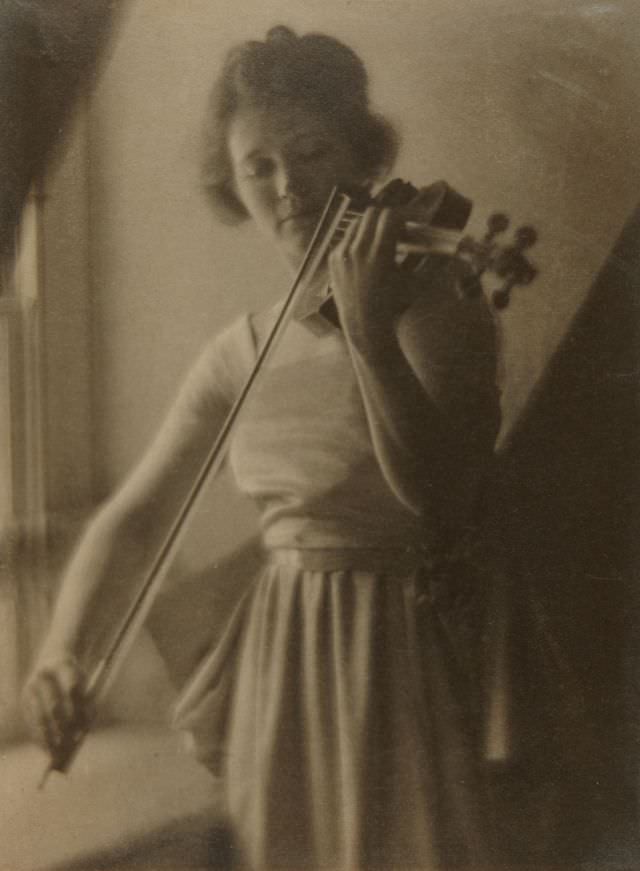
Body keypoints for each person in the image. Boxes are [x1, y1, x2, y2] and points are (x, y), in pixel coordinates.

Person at [22, 26, 501, 870]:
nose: (289, 185)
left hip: (407, 652)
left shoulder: (439, 304)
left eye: (312, 150)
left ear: (362, 153)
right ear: (232, 185)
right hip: (288, 666)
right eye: (258, 166)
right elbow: (135, 517)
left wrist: (369, 332)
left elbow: (442, 498)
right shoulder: (239, 351)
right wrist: (62, 648)